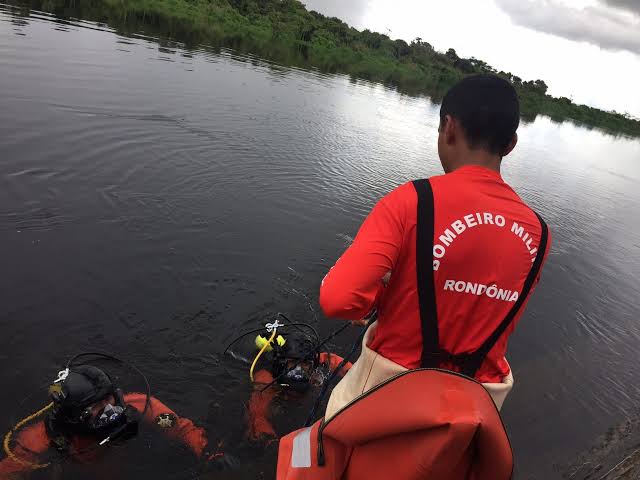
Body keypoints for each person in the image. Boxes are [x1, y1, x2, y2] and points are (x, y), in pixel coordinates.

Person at [319, 74, 552, 419]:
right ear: (511, 144)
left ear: (449, 127)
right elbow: (481, 304)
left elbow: (337, 299)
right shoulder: (540, 233)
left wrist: (379, 300)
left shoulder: (411, 201)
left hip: (387, 399)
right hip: (471, 412)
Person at [0, 364, 224, 478]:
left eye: (109, 400)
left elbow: (180, 428)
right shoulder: (40, 440)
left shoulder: (138, 406)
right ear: (74, 417)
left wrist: (208, 455)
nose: (111, 411)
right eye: (96, 410)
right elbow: (9, 472)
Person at [246, 334, 351, 441]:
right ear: (283, 363)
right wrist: (265, 436)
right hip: (282, 398)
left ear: (312, 364)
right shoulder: (266, 377)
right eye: (293, 363)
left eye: (305, 364)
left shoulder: (315, 363)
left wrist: (355, 373)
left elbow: (334, 361)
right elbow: (257, 412)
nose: (299, 370)